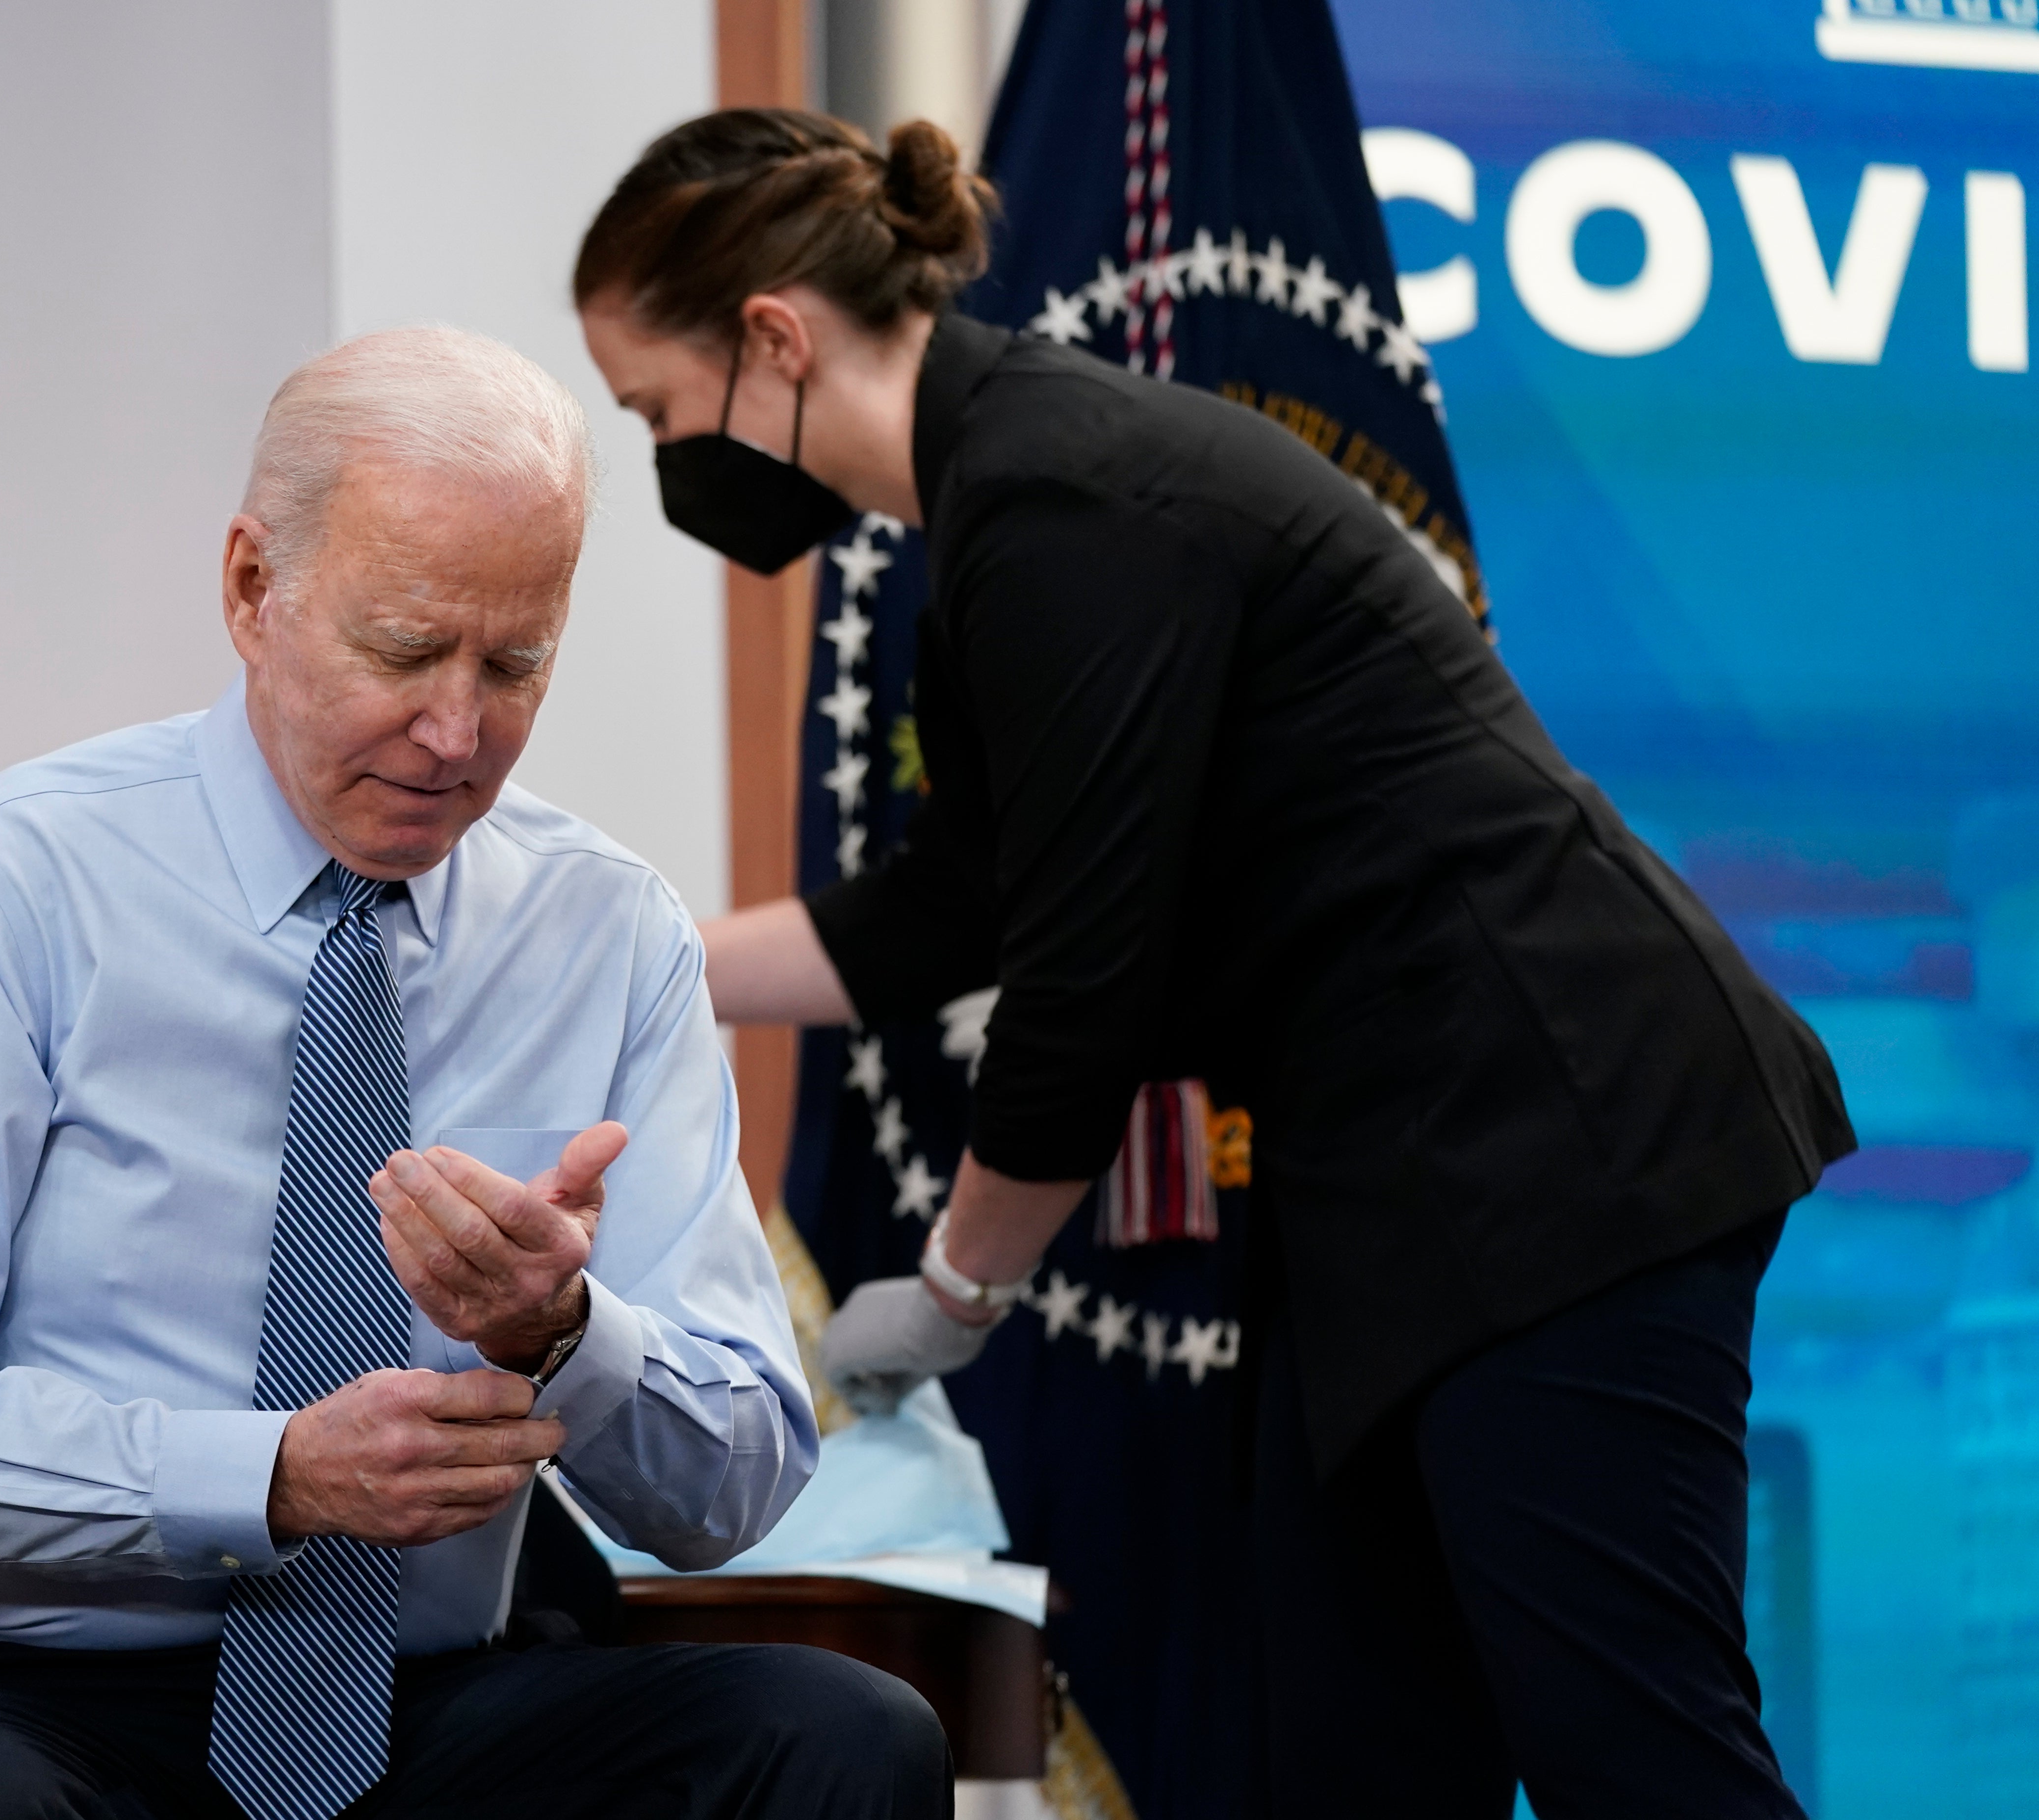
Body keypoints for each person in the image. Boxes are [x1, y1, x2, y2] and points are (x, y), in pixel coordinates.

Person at [574, 110, 1855, 1819]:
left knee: (1632, 1746)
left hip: (1563, 1136)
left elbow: (1081, 985)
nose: (672, 457)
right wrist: (632, 961)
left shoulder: (1061, 498)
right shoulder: (1005, 508)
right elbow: (958, 907)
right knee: (1350, 1747)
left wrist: (954, 1291)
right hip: (1404, 1171)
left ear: (774, 339)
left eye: (659, 409)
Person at [0, 326, 950, 1820]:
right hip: (37, 1697)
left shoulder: (607, 936)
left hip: (431, 1698)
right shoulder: (17, 885)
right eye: (402, 652)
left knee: (843, 1737)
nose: (457, 734)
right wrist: (267, 1476)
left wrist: (559, 1333)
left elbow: (736, 1481)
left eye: (515, 666)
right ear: (253, 591)